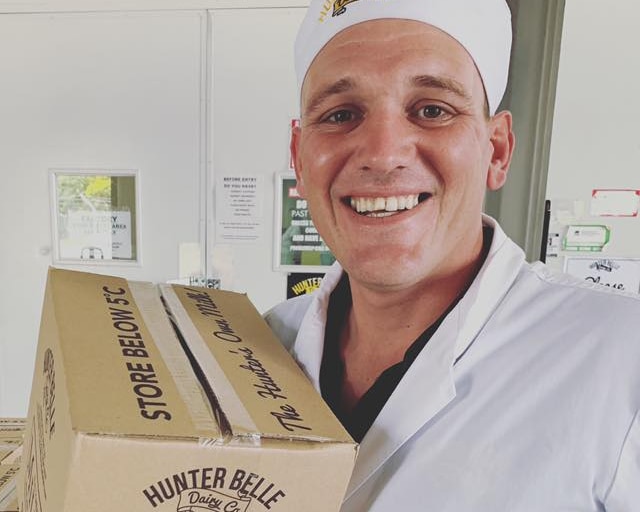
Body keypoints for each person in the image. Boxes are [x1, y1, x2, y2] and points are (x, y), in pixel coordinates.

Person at [264, 0, 640, 510]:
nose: (382, 152)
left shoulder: (621, 359)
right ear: (299, 159)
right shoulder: (260, 344)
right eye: (341, 115)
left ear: (498, 149)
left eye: (432, 110)